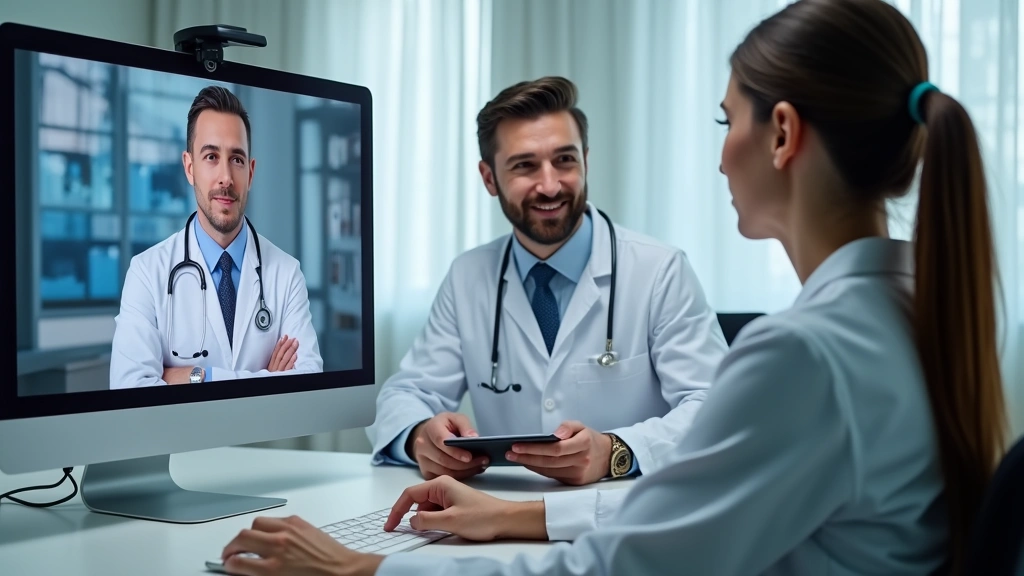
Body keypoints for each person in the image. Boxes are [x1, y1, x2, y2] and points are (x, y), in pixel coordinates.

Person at [218, 0, 1009, 574]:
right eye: (525, 165)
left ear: (781, 134)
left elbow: (632, 557)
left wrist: (366, 569)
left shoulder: (801, 353)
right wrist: (507, 506)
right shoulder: (914, 306)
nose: (720, 156)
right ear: (490, 178)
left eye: (726, 121)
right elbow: (701, 508)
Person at [365, 75, 728, 490]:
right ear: (489, 178)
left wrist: (615, 451)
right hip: (502, 512)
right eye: (524, 165)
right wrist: (418, 437)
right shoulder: (468, 277)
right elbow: (406, 393)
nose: (550, 185)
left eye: (565, 160)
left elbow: (716, 408)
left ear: (585, 162)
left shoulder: (660, 270)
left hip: (632, 511)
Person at [109, 86, 323, 388]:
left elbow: (308, 383)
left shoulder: (286, 274)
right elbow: (129, 389)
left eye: (237, 159)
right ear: (190, 167)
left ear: (250, 173)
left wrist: (193, 376)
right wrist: (269, 380)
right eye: (211, 156)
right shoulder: (146, 273)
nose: (226, 177)